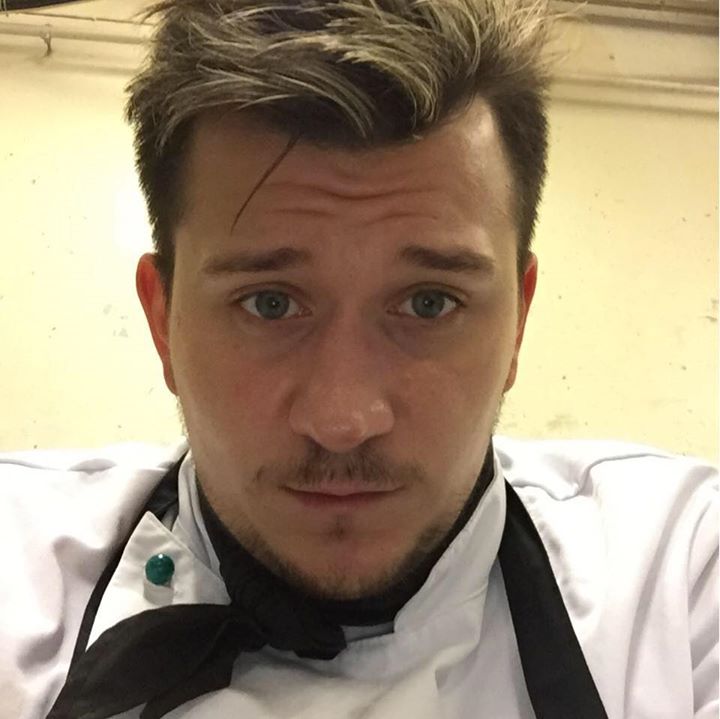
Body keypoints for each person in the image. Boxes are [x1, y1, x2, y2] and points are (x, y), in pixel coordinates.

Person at [2, 1, 717, 718]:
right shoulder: (18, 566)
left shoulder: (676, 576)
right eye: (270, 303)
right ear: (163, 322)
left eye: (429, 303)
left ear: (518, 323)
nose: (343, 419)